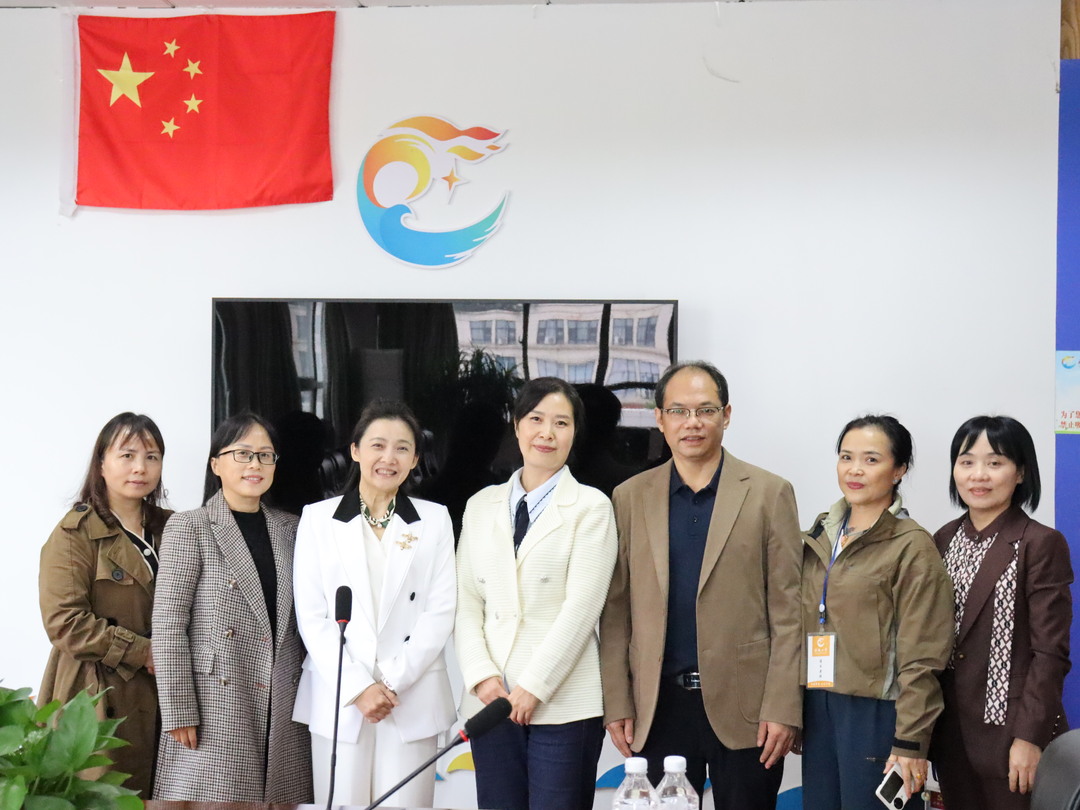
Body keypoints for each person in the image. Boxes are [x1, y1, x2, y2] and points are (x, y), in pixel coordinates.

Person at [599, 361, 801, 810]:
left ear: (726, 415)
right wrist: (617, 701)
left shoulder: (769, 493)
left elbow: (790, 611)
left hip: (748, 709)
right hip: (658, 707)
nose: (692, 422)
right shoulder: (629, 497)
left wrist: (783, 706)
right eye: (679, 411)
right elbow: (615, 613)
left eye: (705, 410)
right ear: (659, 419)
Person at [456, 377, 617, 810]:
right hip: (492, 701)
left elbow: (582, 609)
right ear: (516, 426)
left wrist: (533, 687)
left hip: (563, 702)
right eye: (536, 419)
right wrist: (482, 676)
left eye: (561, 423)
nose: (547, 432)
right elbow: (467, 602)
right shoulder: (480, 504)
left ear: (574, 433)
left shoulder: (592, 507)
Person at [292, 400, 457, 807]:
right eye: (378, 445)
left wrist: (392, 682)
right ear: (355, 450)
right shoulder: (317, 519)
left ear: (415, 459)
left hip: (410, 695)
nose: (389, 458)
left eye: (402, 448)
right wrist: (359, 687)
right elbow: (312, 617)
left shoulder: (435, 520)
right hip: (340, 697)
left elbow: (440, 611)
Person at [152, 412, 312, 803]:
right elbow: (169, 624)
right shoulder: (190, 526)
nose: (255, 464)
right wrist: (179, 709)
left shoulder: (293, 529)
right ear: (216, 464)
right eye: (242, 453)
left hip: (282, 702)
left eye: (265, 455)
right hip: (214, 704)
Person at [799, 414, 953, 810]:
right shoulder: (820, 534)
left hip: (878, 713)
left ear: (899, 470)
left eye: (871, 459)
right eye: (846, 457)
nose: (855, 470)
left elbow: (924, 655)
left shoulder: (911, 545)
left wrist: (910, 740)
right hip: (819, 704)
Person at [931, 416, 1073, 810]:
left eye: (995, 463)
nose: (979, 475)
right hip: (951, 733)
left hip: (1013, 734)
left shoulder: (1039, 543)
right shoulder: (942, 539)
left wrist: (1029, 738)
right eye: (967, 462)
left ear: (1021, 472)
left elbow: (1050, 654)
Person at [38, 413, 170, 797]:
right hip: (96, 692)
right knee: (106, 795)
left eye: (151, 457)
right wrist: (144, 652)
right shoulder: (75, 534)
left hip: (167, 690)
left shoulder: (175, 527)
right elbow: (65, 622)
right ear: (101, 463)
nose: (140, 468)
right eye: (127, 455)